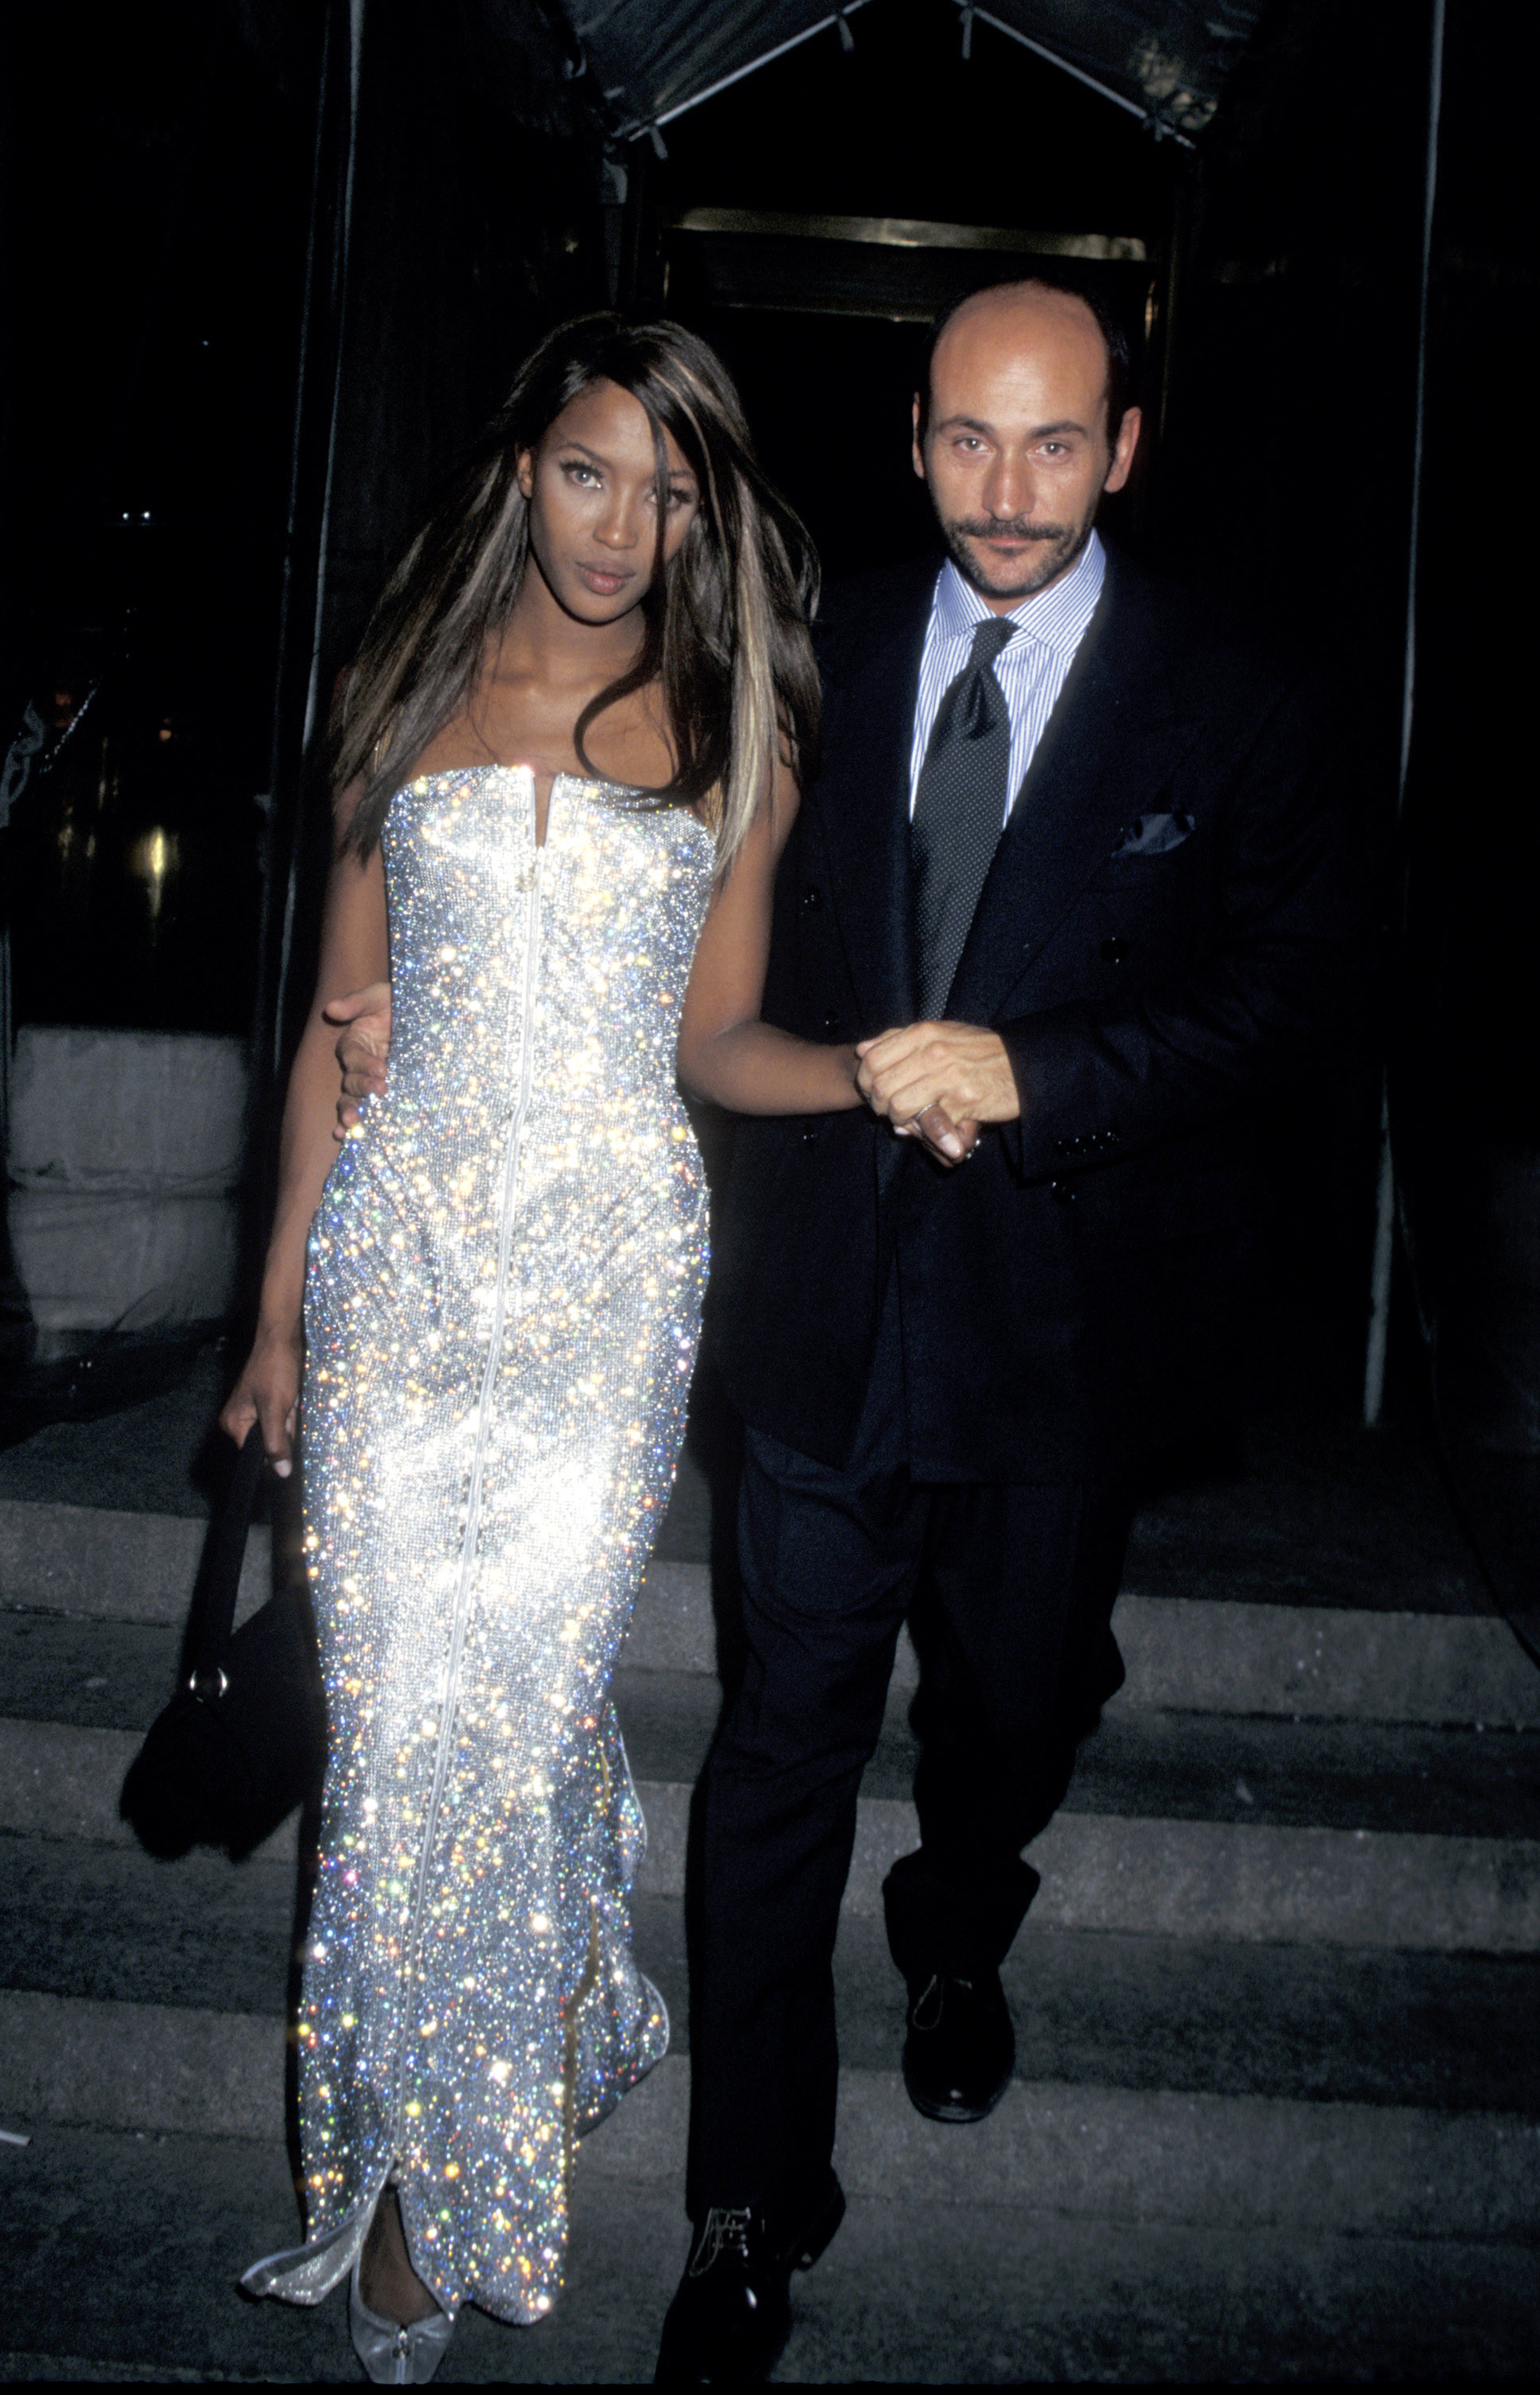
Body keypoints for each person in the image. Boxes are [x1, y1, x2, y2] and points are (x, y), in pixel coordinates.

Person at [333, 275, 1357, 2385]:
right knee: (777, 1750)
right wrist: (422, 1003)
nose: (1006, 486)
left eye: (1053, 442)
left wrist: (1041, 1073)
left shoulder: (1235, 691)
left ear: (1123, 450)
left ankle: (964, 1904)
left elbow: (1290, 1006)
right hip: (819, 1319)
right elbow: (669, 928)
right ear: (911, 438)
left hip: (1064, 1336)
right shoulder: (817, 655)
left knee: (1008, 1700)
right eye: (967, 440)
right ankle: (742, 2204)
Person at [220, 311, 862, 2381]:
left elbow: (718, 1046)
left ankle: (444, 2208)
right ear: (521, 472)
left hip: (601, 1280)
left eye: (665, 492)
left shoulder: (730, 717)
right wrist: (277, 1315)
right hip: (404, 1265)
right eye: (589, 472)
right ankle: (419, 2146)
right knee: (412, 1744)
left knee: (506, 1724)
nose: (622, 525)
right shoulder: (399, 692)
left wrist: (874, 1073)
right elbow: (338, 1028)